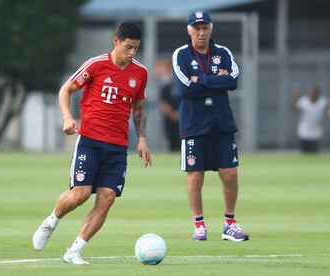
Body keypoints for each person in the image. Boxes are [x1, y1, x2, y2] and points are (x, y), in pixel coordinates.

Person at [32, 22, 152, 265]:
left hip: (118, 146)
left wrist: (141, 138)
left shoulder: (140, 73)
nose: (131, 53)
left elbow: (138, 108)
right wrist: (67, 116)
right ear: (116, 41)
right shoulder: (96, 65)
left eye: (136, 49)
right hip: (90, 141)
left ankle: (74, 250)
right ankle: (51, 221)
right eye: (128, 47)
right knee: (80, 195)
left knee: (107, 197)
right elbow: (66, 89)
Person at [172, 10, 249, 242]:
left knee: (230, 174)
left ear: (211, 29)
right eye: (197, 28)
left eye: (205, 28)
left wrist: (201, 80)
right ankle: (199, 225)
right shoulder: (181, 55)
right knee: (195, 177)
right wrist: (217, 81)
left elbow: (233, 80)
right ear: (189, 30)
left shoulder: (223, 53)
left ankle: (229, 224)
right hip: (194, 125)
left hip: (222, 123)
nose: (201, 32)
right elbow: (185, 88)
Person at [292, 85, 330, 153]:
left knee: (314, 154)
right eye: (311, 92)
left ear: (318, 93)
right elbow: (294, 109)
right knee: (304, 153)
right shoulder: (303, 101)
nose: (313, 94)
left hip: (316, 134)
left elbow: (328, 111)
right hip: (304, 132)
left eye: (315, 92)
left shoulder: (322, 102)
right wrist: (295, 96)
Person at [159, 81, 181, 151]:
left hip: (182, 119)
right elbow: (163, 103)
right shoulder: (166, 88)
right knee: (172, 141)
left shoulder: (184, 87)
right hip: (170, 120)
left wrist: (180, 114)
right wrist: (173, 114)